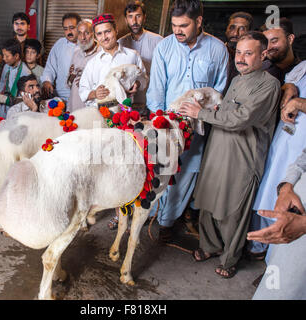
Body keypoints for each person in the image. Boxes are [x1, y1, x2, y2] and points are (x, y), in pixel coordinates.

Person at [181, 31, 281, 278]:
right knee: (207, 201)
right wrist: (211, 107)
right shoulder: (236, 80)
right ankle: (210, 246)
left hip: (242, 158)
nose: (241, 58)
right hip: (218, 150)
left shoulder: (269, 84)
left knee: (233, 210)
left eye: (249, 53)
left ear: (264, 54)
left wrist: (200, 114)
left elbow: (242, 118)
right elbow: (227, 109)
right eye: (238, 52)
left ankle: (229, 259)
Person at [145, 0, 228, 239]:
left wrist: (202, 117)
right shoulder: (165, 47)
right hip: (165, 125)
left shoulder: (217, 49)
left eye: (184, 25)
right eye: (174, 25)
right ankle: (151, 216)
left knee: (185, 175)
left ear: (199, 21)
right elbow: (157, 88)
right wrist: (158, 121)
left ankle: (167, 223)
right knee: (158, 172)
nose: (177, 31)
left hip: (197, 130)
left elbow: (219, 92)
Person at [247, 61, 306, 259]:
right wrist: (288, 88)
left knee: (295, 203)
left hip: (301, 142)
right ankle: (259, 247)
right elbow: (288, 83)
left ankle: (276, 260)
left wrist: (300, 103)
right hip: (286, 134)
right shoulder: (303, 65)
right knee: (272, 185)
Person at [247, 148, 306, 299]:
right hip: (292, 224)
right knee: (274, 288)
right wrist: (286, 187)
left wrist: (303, 224)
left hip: (299, 231)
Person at [79, 14, 147, 108]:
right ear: (95, 37)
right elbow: (83, 90)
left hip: (125, 112)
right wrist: (95, 94)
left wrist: (137, 84)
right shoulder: (92, 63)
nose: (104, 37)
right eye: (99, 34)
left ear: (116, 30)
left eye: (107, 31)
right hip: (99, 112)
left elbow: (144, 78)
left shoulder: (132, 55)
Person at [118, 1, 163, 106]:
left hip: (151, 100)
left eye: (138, 16)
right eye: (130, 17)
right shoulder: (120, 43)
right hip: (127, 100)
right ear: (126, 19)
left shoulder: (158, 41)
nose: (134, 21)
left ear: (144, 17)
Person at [41, 13, 81, 101]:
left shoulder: (88, 45)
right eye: (65, 29)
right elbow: (50, 67)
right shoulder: (60, 44)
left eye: (72, 28)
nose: (69, 32)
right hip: (61, 96)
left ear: (80, 27)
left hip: (82, 96)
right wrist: (47, 81)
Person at [67, 19, 99, 112]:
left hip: (91, 107)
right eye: (80, 33)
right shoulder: (76, 53)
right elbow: (70, 84)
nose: (83, 37)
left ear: (93, 34)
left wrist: (85, 80)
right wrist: (71, 76)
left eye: (87, 33)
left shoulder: (101, 53)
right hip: (74, 104)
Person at [0, 38, 31, 118]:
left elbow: (28, 96)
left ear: (16, 56)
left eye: (7, 56)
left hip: (16, 109)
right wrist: (2, 95)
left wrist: (11, 100)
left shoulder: (26, 72)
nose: (4, 58)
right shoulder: (6, 66)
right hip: (3, 107)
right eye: (3, 55)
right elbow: (2, 82)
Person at [260, 17, 299, 85]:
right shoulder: (258, 69)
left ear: (290, 39)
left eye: (274, 41)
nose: (268, 47)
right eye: (266, 42)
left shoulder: (303, 70)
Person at [223, 11, 253, 92]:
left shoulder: (253, 59)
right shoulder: (217, 52)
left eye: (242, 29)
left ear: (249, 33)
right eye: (232, 27)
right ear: (226, 29)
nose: (235, 33)